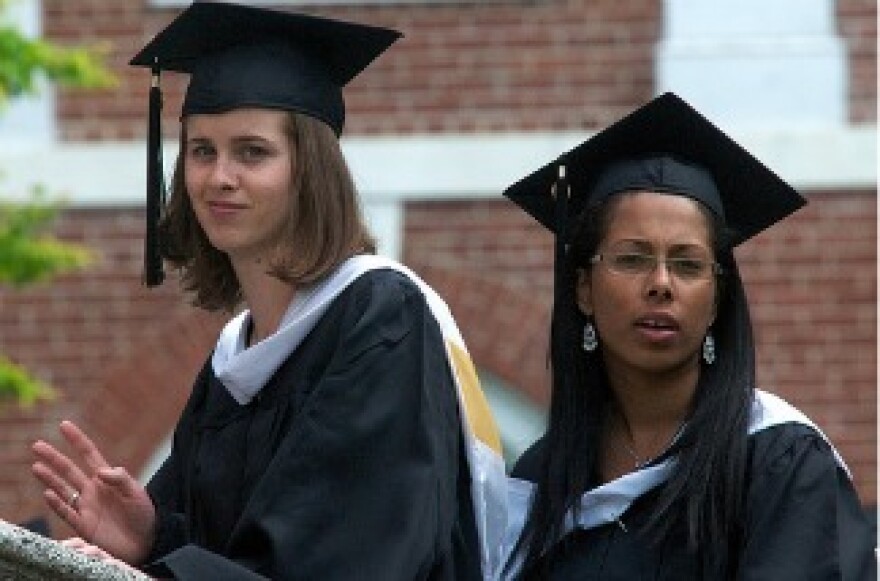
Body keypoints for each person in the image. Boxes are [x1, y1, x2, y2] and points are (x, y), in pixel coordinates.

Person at [29, 2, 507, 580]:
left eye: (252, 152)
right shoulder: (238, 357)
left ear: (310, 169)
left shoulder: (382, 318)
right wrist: (154, 537)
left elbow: (340, 558)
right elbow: (227, 551)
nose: (218, 176)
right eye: (202, 150)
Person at [500, 92, 876, 580]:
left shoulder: (777, 460)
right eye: (632, 259)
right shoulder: (537, 486)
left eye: (687, 264)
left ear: (717, 297)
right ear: (584, 290)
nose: (661, 283)